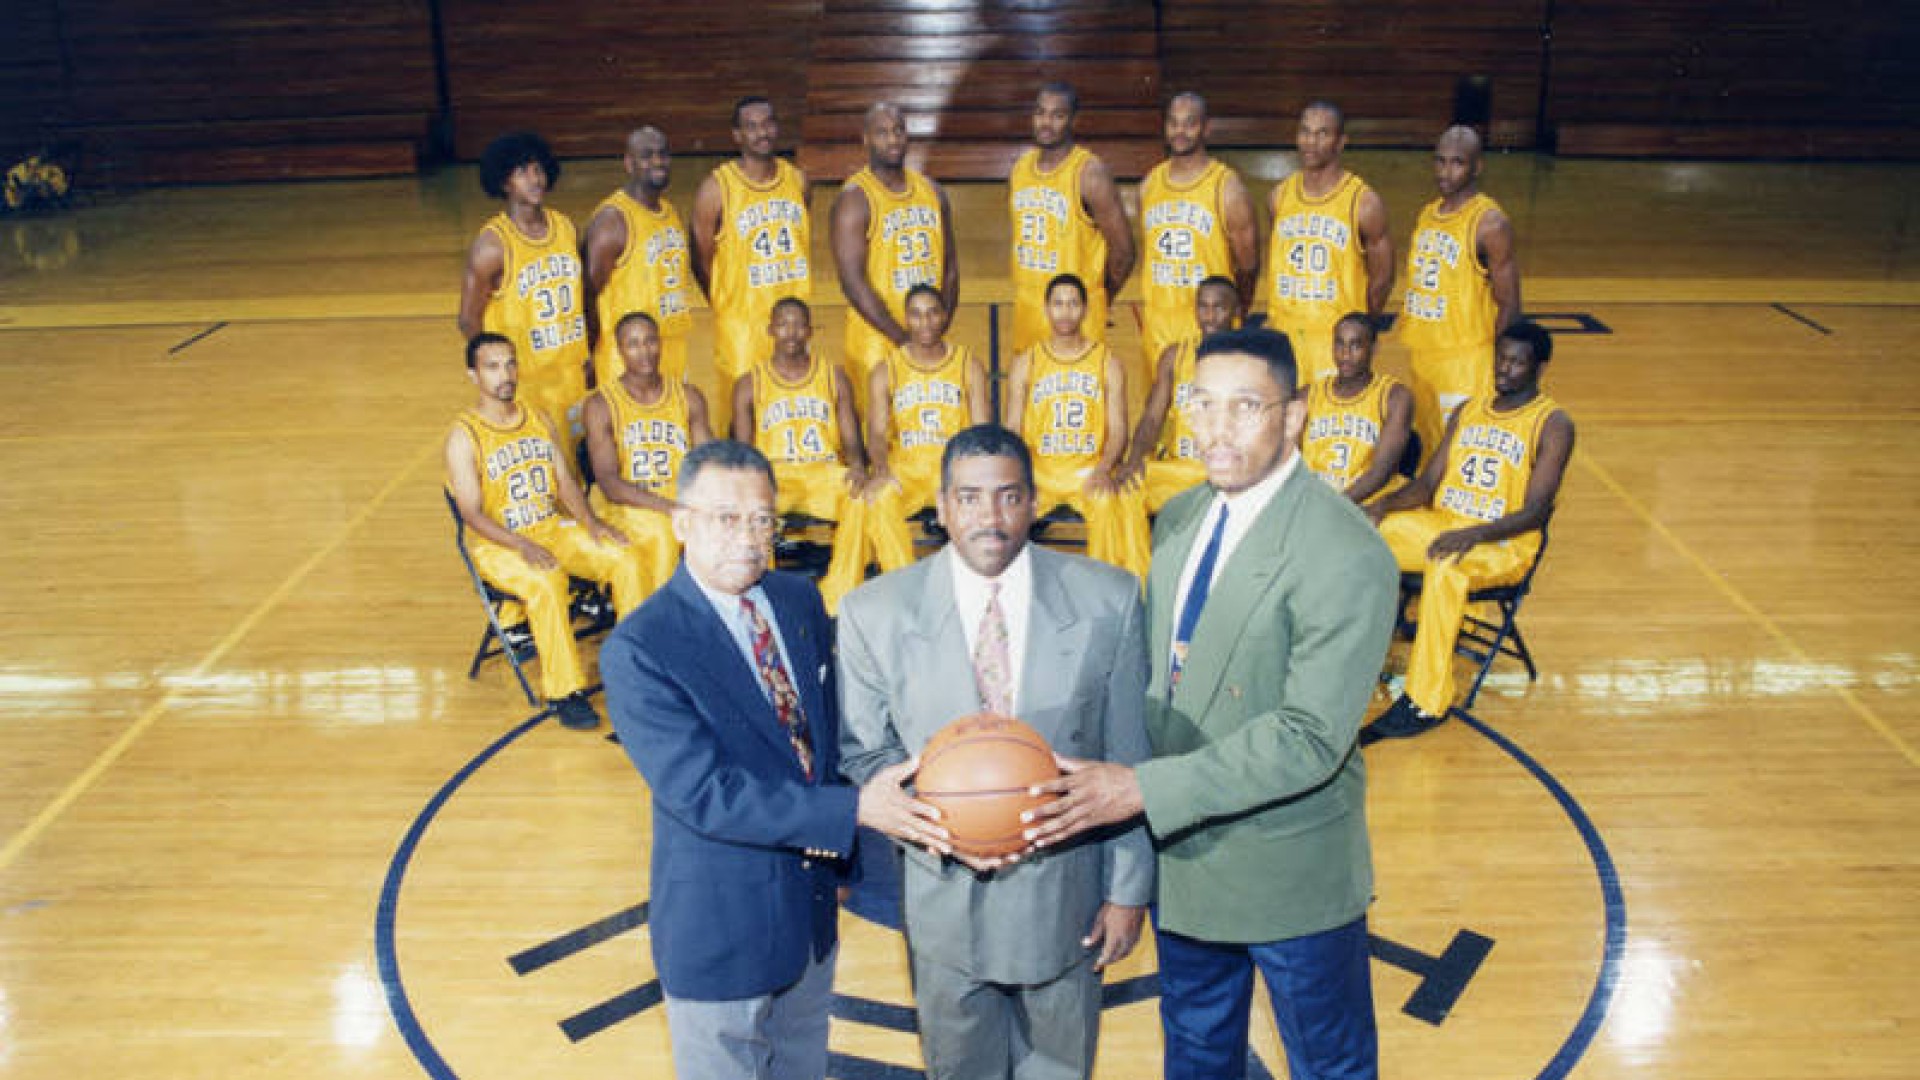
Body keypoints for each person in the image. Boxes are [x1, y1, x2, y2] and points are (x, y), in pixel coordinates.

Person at [1023, 326, 1401, 1080]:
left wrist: (1138, 790)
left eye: (1246, 407)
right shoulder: (1184, 516)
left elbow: (1307, 738)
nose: (1216, 429)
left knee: (1329, 1065)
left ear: (1294, 417)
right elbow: (1161, 690)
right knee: (1197, 1055)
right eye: (1203, 405)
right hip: (1186, 861)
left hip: (1288, 873)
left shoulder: (1347, 552)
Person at [602, 439, 944, 1080]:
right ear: (681, 522)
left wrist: (841, 852)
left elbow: (821, 739)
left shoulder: (797, 601)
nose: (749, 537)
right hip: (721, 932)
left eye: (763, 519)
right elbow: (707, 793)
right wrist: (853, 812)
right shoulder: (640, 648)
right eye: (726, 517)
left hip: (810, 919)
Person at [837, 424, 1153, 1080]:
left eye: (1009, 497)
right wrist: (931, 821)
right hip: (943, 898)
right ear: (943, 505)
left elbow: (1130, 759)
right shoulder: (873, 611)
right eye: (971, 499)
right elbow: (866, 757)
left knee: (1060, 1071)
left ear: (1035, 503)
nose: (991, 517)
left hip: (1067, 898)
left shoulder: (1109, 599)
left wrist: (1128, 892)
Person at [1361, 320, 1572, 741]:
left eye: (1518, 362)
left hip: (1502, 544)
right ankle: (1342, 658)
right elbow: (1425, 486)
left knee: (1446, 567)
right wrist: (1380, 507)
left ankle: (1426, 702)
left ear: (1539, 367)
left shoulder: (1553, 425)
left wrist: (1473, 535)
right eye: (1502, 359)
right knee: (1359, 540)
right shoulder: (1469, 410)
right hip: (1444, 525)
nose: (1506, 369)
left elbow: (1535, 511)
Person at [444, 332, 650, 731]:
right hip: (499, 545)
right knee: (547, 579)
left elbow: (564, 482)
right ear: (473, 375)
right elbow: (470, 513)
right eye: (492, 367)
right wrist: (521, 545)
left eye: (509, 363)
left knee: (623, 556)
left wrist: (592, 523)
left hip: (550, 528)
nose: (504, 374)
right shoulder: (463, 435)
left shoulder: (536, 417)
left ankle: (637, 670)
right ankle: (564, 691)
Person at [732, 298, 913, 612]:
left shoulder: (833, 377)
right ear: (770, 330)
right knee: (754, 509)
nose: (792, 333)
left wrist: (857, 466)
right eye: (784, 324)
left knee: (858, 497)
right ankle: (767, 593)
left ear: (810, 331)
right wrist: (750, 487)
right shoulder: (749, 384)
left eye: (799, 324)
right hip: (775, 478)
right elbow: (744, 452)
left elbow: (851, 439)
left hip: (822, 473)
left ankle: (839, 594)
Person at [1001, 273, 1151, 580]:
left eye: (1072, 304)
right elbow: (1012, 428)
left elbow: (1119, 429)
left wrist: (1104, 467)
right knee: (1005, 506)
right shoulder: (1026, 362)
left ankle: (1102, 590)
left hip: (1087, 470)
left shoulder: (1107, 362)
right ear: (1046, 308)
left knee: (1108, 503)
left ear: (1085, 310)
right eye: (1058, 304)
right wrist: (1019, 476)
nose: (1065, 312)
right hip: (1039, 472)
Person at [1398, 124, 1522, 467]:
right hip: (1424, 357)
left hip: (1465, 362)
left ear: (1477, 167)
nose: (1444, 172)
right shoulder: (1428, 213)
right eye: (1439, 162)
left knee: (1457, 457)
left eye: (1456, 163)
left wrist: (1504, 370)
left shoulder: (1489, 223)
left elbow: (1510, 303)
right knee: (1429, 454)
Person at [458, 132, 590, 447]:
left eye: (538, 170)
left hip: (571, 374)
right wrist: (496, 372)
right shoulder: (491, 247)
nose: (534, 179)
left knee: (578, 472)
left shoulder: (565, 227)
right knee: (545, 476)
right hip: (528, 382)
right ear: (504, 183)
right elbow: (468, 321)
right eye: (522, 172)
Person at [692, 96, 812, 435]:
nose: (763, 132)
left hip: (789, 318)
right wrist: (725, 301)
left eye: (768, 123)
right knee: (741, 414)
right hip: (742, 323)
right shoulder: (716, 188)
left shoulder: (798, 181)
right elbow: (700, 256)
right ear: (737, 136)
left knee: (785, 407)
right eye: (752, 126)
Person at [831, 102, 959, 402]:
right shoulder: (855, 199)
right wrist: (903, 339)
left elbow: (950, 267)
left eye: (899, 131)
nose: (893, 140)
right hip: (876, 340)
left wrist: (938, 326)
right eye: (882, 133)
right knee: (877, 431)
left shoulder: (933, 191)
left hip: (926, 331)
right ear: (866, 139)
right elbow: (852, 283)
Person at [582, 312, 714, 598]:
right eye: (633, 344)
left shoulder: (689, 397)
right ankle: (658, 626)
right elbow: (610, 484)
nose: (644, 351)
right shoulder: (601, 404)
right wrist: (670, 508)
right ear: (619, 350)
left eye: (650, 341)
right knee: (664, 532)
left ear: (661, 344)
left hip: (682, 500)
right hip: (630, 506)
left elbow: (709, 462)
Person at [1260, 102, 1393, 385]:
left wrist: (1359, 332)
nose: (1311, 142)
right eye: (1305, 132)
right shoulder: (1279, 197)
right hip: (1284, 335)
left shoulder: (1364, 202)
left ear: (1341, 142)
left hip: (1333, 342)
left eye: (1323, 134)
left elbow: (1382, 279)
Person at [1007, 82, 1135, 358]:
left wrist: (1098, 298)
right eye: (1041, 113)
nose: (1046, 123)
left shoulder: (1090, 173)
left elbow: (1124, 252)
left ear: (1074, 120)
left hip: (1075, 316)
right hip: (1029, 313)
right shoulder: (1020, 169)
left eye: (1058, 115)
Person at [1137, 92, 1259, 376]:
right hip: (1158, 327)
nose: (1180, 131)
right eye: (1173, 123)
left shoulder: (1227, 187)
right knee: (1160, 413)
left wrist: (1233, 313)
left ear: (1206, 128)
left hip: (1210, 325)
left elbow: (1248, 265)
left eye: (1189, 123)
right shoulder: (1150, 184)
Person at [864, 285, 991, 521]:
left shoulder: (969, 365)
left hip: (954, 467)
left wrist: (974, 475)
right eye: (916, 314)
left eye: (932, 313)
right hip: (906, 470)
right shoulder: (885, 370)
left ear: (944, 316)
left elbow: (981, 432)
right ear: (906, 318)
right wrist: (881, 470)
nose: (925, 322)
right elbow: (877, 434)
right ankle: (898, 561)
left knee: (980, 502)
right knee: (877, 499)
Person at [585, 125, 696, 388]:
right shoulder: (612, 220)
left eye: (663, 154)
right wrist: (588, 356)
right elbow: (587, 293)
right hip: (627, 359)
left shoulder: (669, 212)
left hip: (670, 350)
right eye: (646, 156)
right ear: (628, 163)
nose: (657, 162)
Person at [1119, 275, 1241, 513]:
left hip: (1227, 471)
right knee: (1127, 489)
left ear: (1235, 311)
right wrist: (1134, 459)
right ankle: (1140, 553)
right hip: (1180, 469)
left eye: (1219, 308)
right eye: (1203, 307)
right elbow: (1152, 419)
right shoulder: (1176, 356)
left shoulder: (1251, 361)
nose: (1210, 316)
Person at [1302, 312, 1414, 505]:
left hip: (1365, 501)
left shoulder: (1395, 397)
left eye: (1355, 345)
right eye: (1339, 344)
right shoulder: (1307, 395)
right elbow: (1288, 464)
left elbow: (1381, 471)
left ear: (1373, 348)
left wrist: (1336, 507)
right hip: (1314, 499)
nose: (1345, 354)